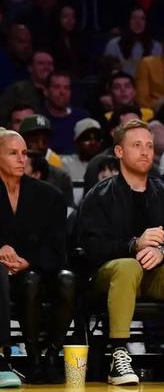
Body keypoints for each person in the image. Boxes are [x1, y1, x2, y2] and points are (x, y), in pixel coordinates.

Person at [77, 120, 164, 386]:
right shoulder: (99, 195)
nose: (145, 152)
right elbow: (91, 247)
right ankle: (118, 353)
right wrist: (134, 245)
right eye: (137, 145)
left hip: (154, 277)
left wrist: (163, 251)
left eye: (150, 146)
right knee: (128, 266)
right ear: (119, 151)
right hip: (109, 277)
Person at [0, 128, 74, 386]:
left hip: (42, 267)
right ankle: (31, 360)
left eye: (24, 153)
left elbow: (57, 244)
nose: (22, 159)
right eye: (13, 153)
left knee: (66, 279)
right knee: (28, 281)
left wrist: (28, 260)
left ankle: (51, 356)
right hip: (4, 273)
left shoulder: (49, 195)